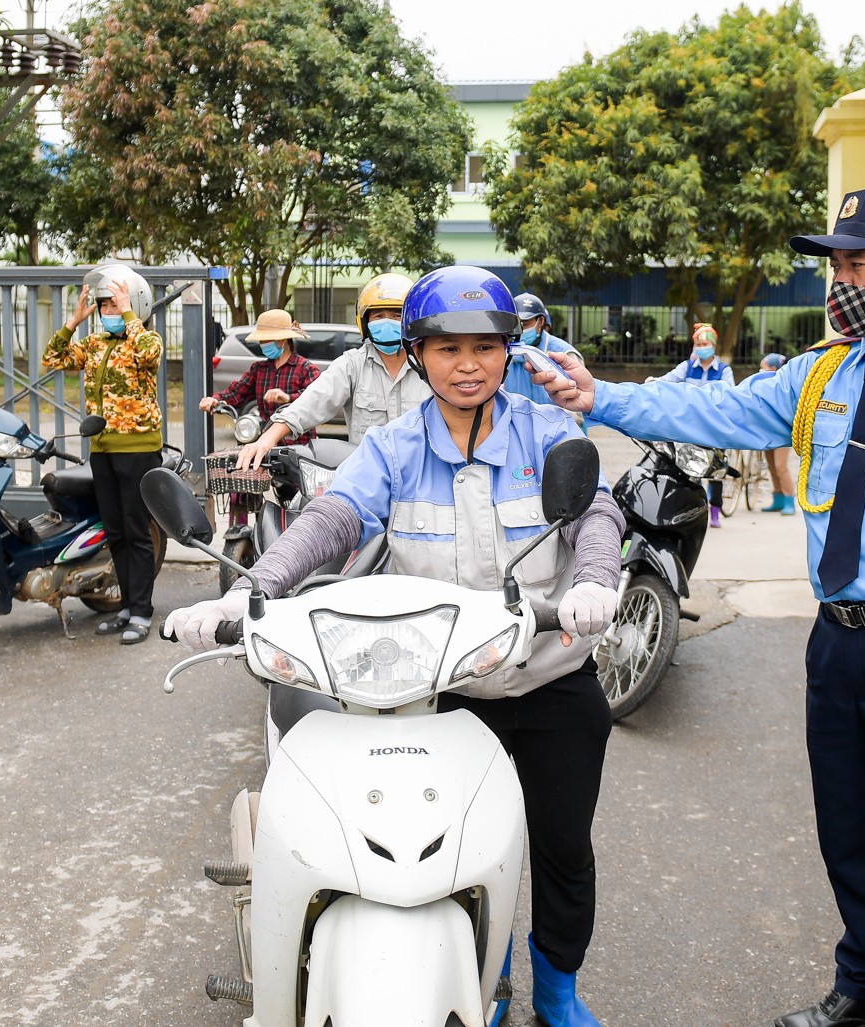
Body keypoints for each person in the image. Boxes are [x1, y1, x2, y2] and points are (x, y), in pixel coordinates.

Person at [536, 189, 865, 1027]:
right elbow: (717, 410)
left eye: (857, 263)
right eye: (833, 262)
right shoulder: (821, 374)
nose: (839, 279)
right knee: (852, 837)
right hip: (837, 644)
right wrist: (600, 399)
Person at [167, 266, 626, 1027]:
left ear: (510, 351)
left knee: (561, 847)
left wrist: (598, 582)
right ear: (417, 353)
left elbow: (596, 515)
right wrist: (251, 589)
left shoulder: (547, 431)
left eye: (486, 346)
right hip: (442, 690)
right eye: (448, 347)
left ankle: (557, 990)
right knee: (436, 848)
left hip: (549, 678)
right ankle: (479, 973)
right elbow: (333, 520)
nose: (469, 363)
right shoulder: (394, 444)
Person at [42, 264, 165, 645]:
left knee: (137, 531)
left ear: (134, 304)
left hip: (138, 449)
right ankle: (126, 606)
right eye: (104, 307)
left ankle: (142, 612)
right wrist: (74, 322)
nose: (107, 313)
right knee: (115, 532)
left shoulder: (145, 339)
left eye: (113, 305)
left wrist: (129, 314)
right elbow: (53, 359)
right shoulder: (95, 344)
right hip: (103, 449)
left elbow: (150, 355)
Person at [235, 273, 429, 468]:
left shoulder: (428, 365)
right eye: (379, 316)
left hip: (421, 474)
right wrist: (266, 439)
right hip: (369, 477)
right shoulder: (352, 365)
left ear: (410, 321)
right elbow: (314, 400)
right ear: (365, 322)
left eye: (396, 316)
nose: (387, 322)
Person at [199, 308, 319, 445]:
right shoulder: (258, 369)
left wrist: (288, 398)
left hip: (300, 447)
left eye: (267, 339)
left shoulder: (306, 369)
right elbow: (236, 393)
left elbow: (315, 400)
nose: (263, 344)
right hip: (266, 445)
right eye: (261, 340)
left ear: (284, 339)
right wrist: (215, 400)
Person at [658, 323, 735, 526]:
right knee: (691, 467)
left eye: (705, 343)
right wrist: (653, 383)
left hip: (714, 427)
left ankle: (715, 512)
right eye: (698, 343)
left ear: (713, 345)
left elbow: (730, 394)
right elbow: (669, 379)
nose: (702, 347)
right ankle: (694, 510)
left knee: (716, 469)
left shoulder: (724, 371)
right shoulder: (687, 367)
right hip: (690, 426)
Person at [504, 291, 579, 407]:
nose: (521, 330)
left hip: (558, 423)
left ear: (541, 322)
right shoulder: (505, 354)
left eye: (525, 324)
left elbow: (576, 405)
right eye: (517, 324)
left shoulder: (564, 354)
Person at [743, 352, 796, 512]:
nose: (761, 372)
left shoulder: (785, 387)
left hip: (783, 432)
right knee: (772, 466)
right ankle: (778, 498)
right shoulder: (763, 387)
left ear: (774, 369)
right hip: (767, 431)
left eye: (764, 368)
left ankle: (789, 500)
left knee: (781, 466)